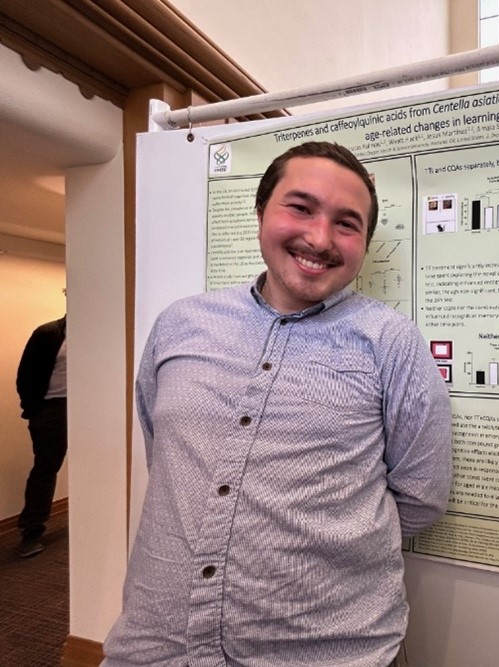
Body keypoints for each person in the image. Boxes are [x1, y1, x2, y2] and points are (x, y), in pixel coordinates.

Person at [103, 142, 453, 667]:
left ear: (364, 243)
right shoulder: (181, 324)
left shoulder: (391, 342)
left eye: (347, 223)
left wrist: (313, 550)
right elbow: (169, 459)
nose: (319, 238)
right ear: (261, 210)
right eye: (301, 207)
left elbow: (420, 496)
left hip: (326, 653)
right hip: (159, 646)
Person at [15, 314, 67, 558]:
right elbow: (26, 373)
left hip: (89, 406)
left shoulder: (99, 332)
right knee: (46, 469)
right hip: (52, 408)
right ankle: (31, 532)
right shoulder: (48, 333)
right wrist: (34, 407)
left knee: (97, 466)